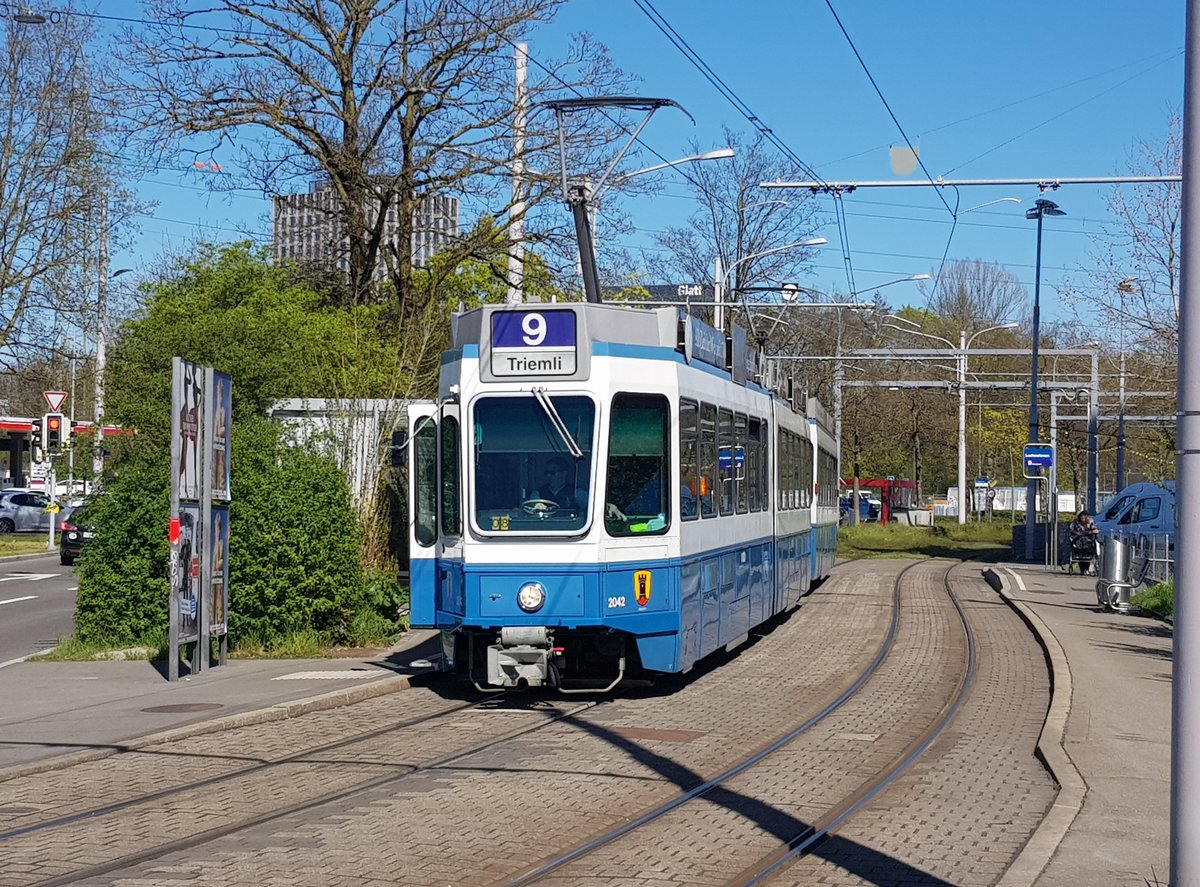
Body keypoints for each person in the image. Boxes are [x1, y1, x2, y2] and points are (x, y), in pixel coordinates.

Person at [1068, 510, 1100, 575]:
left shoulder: (1090, 523)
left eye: (1084, 518)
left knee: (1087, 548)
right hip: (1078, 541)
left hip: (1088, 542)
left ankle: (1086, 569)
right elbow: (1073, 531)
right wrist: (1078, 533)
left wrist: (1089, 532)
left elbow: (1096, 530)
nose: (1083, 519)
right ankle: (1083, 569)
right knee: (1080, 548)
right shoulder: (1076, 524)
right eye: (1081, 518)